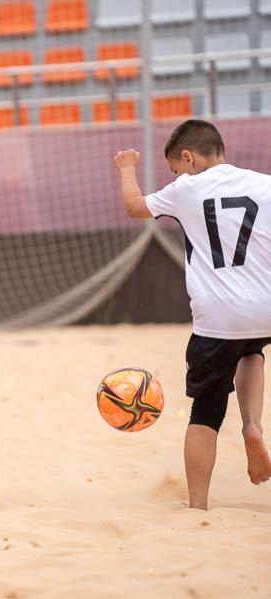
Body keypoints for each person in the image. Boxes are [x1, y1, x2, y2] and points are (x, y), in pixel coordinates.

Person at [113, 119, 271, 509]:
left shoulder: (187, 188)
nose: (176, 176)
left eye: (175, 169)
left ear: (188, 157)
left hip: (217, 316)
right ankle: (252, 425)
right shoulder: (264, 185)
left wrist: (127, 168)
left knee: (205, 412)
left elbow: (134, 207)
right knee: (252, 352)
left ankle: (197, 506)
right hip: (265, 307)